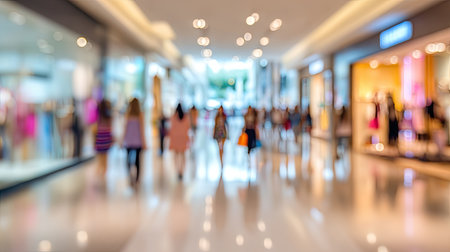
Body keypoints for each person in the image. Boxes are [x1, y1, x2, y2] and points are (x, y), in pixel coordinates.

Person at [122, 98, 146, 185]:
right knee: (137, 160)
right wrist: (144, 142)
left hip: (128, 140)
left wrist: (122, 140)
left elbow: (125, 129)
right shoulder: (140, 115)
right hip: (137, 140)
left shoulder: (127, 115)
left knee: (128, 159)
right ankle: (137, 178)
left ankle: (129, 174)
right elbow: (142, 130)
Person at [169, 103, 190, 180]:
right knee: (183, 155)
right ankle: (182, 170)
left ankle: (178, 170)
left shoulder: (173, 117)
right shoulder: (186, 117)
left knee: (176, 156)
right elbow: (188, 127)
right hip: (183, 138)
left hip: (175, 139)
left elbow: (171, 128)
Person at [94, 99, 113, 176]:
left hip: (100, 137)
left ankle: (99, 173)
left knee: (100, 158)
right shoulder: (108, 115)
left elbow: (95, 127)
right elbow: (111, 126)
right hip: (106, 137)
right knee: (105, 157)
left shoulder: (98, 116)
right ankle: (103, 173)